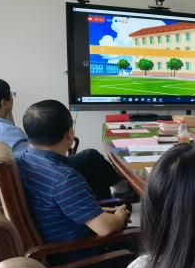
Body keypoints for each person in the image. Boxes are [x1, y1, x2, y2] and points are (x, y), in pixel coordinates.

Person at [0, 78, 126, 200]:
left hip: (19, 178)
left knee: (89, 162)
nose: (13, 98)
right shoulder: (4, 130)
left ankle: (111, 198)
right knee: (91, 157)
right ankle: (121, 192)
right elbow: (34, 162)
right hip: (39, 179)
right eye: (11, 95)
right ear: (4, 102)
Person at [16, 100, 130, 248]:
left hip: (54, 240)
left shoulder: (19, 159)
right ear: (69, 134)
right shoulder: (64, 178)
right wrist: (120, 217)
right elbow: (105, 228)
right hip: (80, 252)